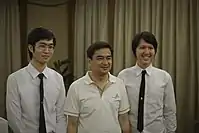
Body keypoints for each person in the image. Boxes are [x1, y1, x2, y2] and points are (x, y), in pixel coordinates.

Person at [6, 27, 66, 133]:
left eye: (50, 47)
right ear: (31, 48)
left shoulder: (58, 79)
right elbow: (14, 118)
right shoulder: (15, 79)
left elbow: (61, 115)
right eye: (42, 46)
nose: (47, 51)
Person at [64, 41, 130, 133]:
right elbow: (72, 124)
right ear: (90, 61)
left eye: (108, 58)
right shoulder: (76, 87)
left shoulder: (119, 84)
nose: (105, 62)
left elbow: (124, 120)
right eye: (100, 58)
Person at [118, 31, 177, 133]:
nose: (147, 52)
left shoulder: (164, 77)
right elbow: (120, 110)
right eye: (142, 48)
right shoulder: (123, 76)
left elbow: (170, 111)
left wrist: (171, 131)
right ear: (134, 51)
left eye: (150, 48)